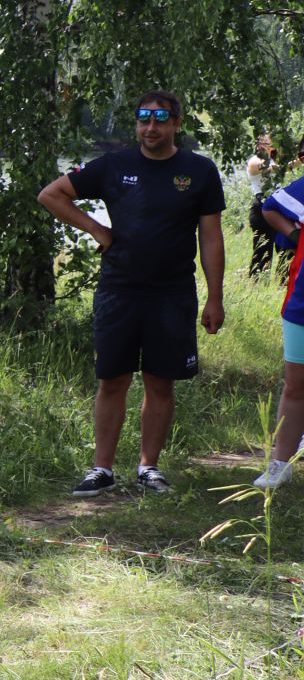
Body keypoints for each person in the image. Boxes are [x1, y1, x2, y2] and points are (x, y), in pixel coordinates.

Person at [37, 90, 226, 496]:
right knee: (112, 379)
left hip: (172, 292)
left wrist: (215, 297)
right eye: (144, 119)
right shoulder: (113, 166)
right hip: (119, 289)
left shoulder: (200, 171)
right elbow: (51, 195)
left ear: (177, 123)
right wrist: (96, 229)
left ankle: (148, 469)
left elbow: (211, 237)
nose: (151, 127)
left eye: (160, 119)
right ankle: (101, 470)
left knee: (160, 382)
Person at [251, 180, 304, 489]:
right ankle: (280, 465)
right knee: (296, 385)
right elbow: (270, 207)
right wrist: (296, 235)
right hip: (302, 302)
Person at [246, 134, 288, 281]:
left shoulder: (273, 161)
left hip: (279, 206)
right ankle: (257, 286)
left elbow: (287, 165)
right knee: (263, 251)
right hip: (262, 206)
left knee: (285, 248)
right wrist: (282, 165)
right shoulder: (254, 161)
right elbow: (258, 169)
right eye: (270, 143)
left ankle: (283, 285)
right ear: (262, 145)